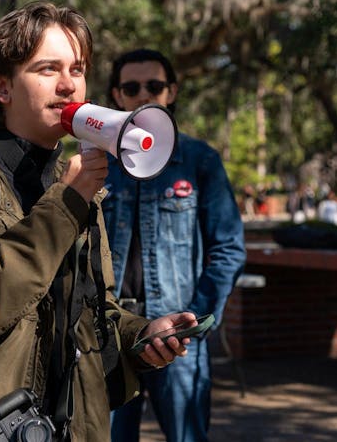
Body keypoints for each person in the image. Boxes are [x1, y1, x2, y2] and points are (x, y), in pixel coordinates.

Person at [0, 2, 195, 442]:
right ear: (2, 87)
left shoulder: (73, 182)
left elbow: (93, 313)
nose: (69, 85)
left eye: (78, 68)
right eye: (48, 69)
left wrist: (141, 337)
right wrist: (67, 205)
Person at [102, 48, 245, 442]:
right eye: (131, 87)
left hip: (177, 334)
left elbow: (228, 248)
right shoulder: (96, 162)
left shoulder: (199, 160)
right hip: (111, 334)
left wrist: (195, 321)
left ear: (172, 91)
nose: (143, 94)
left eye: (155, 85)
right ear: (117, 96)